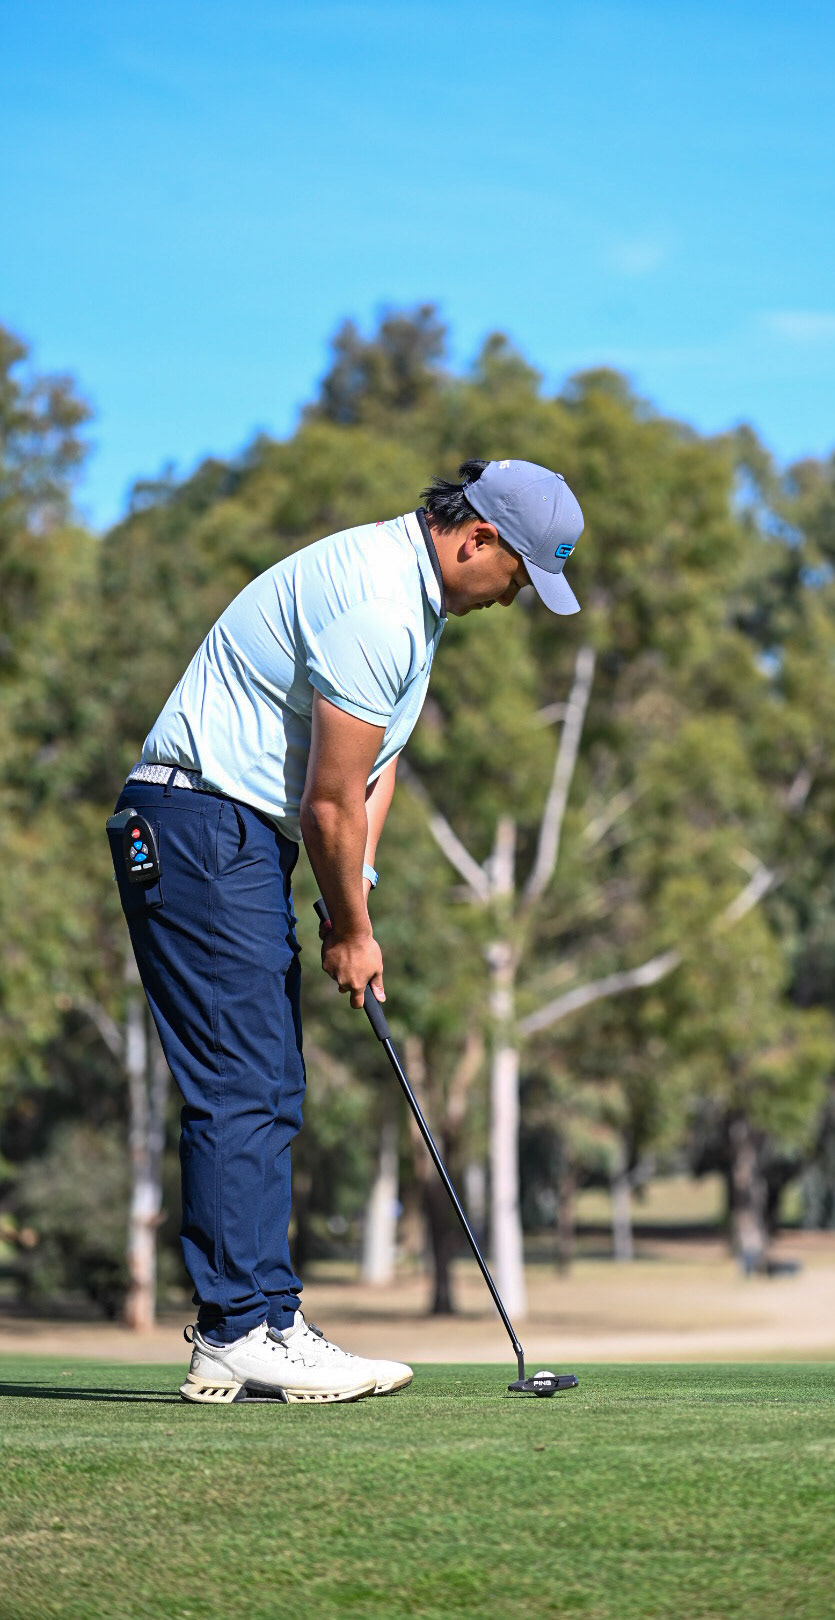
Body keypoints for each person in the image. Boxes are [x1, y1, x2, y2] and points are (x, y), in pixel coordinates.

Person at [107, 459, 584, 1405]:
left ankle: (265, 1320)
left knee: (270, 1081)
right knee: (243, 1081)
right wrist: (355, 934)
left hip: (233, 834)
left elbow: (373, 772)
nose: (516, 596)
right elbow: (328, 803)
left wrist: (348, 899)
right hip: (200, 824)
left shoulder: (414, 603)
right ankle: (239, 1328)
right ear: (478, 539)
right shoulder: (379, 604)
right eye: (521, 575)